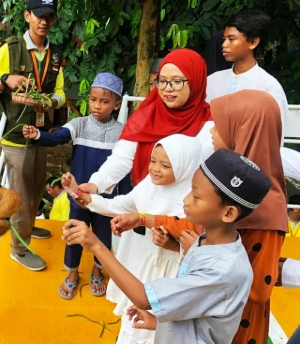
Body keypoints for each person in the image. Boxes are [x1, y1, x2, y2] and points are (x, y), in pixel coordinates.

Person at [112, 91, 288, 344]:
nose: (212, 132)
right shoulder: (221, 184)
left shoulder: (266, 209)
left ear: (243, 131)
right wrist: (144, 220)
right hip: (197, 316)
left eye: (221, 126)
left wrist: (196, 255)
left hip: (232, 326)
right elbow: (194, 225)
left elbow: (257, 288)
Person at [63, 148, 272, 344]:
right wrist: (160, 323)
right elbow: (196, 307)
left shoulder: (222, 271)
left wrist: (95, 245)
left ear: (228, 213)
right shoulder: (208, 241)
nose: (186, 200)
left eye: (196, 197)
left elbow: (144, 298)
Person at [66, 135, 202, 343]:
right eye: (153, 161)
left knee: (159, 328)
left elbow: (198, 244)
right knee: (134, 318)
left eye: (165, 165)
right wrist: (86, 198)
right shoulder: (150, 184)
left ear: (185, 166)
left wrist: (173, 245)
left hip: (171, 273)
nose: (155, 169)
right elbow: (125, 204)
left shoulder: (193, 199)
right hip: (143, 263)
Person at [0, 0, 66, 271]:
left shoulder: (56, 54)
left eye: (49, 17)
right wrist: (5, 79)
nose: (44, 22)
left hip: (40, 133)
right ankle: (19, 248)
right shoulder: (11, 48)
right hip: (16, 137)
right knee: (19, 194)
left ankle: (28, 229)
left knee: (38, 187)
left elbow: (61, 93)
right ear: (28, 16)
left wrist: (51, 101)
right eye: (40, 16)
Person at [24, 72, 130, 297]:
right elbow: (59, 137)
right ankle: (72, 273)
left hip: (106, 200)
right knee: (73, 236)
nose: (97, 106)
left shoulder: (123, 132)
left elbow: (125, 169)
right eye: (93, 99)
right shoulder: (79, 125)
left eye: (104, 101)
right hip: (78, 195)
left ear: (116, 104)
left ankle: (97, 270)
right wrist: (37, 135)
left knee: (103, 237)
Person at [77, 49, 213, 206]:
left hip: (187, 216)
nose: (168, 88)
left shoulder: (210, 125)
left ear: (196, 80)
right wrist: (96, 184)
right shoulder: (144, 117)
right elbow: (121, 158)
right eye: (162, 81)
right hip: (142, 210)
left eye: (177, 81)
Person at [206, 9, 289, 137]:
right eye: (224, 39)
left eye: (231, 39)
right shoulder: (212, 81)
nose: (224, 45)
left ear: (253, 42)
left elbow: (275, 135)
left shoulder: (268, 86)